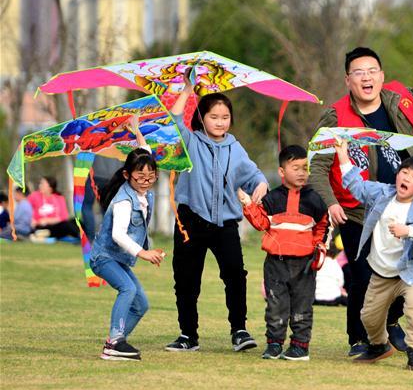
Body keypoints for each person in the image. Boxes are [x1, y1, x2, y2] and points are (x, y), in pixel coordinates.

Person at [308, 36, 413, 357]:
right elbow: (318, 166)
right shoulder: (335, 116)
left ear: (382, 76)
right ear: (348, 80)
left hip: (407, 207)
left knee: (404, 269)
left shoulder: (401, 99)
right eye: (358, 72)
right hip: (358, 208)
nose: (366, 77)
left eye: (372, 70)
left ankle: (393, 323)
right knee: (360, 277)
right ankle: (360, 340)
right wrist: (330, 202)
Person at [165, 76, 269, 353]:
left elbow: (253, 174)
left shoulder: (235, 148)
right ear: (202, 117)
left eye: (225, 117)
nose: (220, 122)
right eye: (214, 116)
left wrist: (261, 185)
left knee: (235, 274)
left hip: (225, 224)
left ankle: (240, 330)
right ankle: (188, 335)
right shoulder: (189, 140)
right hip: (190, 221)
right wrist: (187, 91)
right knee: (186, 280)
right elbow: (174, 122)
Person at [334, 139, 413, 371]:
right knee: (369, 317)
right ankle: (379, 345)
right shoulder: (383, 193)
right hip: (381, 273)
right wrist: (343, 156)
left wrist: (410, 231)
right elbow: (357, 186)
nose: (406, 178)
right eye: (404, 172)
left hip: (410, 273)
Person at [239, 145, 328, 361]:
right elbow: (261, 223)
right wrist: (248, 204)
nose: (301, 172)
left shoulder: (315, 199)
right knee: (276, 306)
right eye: (295, 167)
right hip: (275, 264)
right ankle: (274, 345)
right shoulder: (272, 199)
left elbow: (322, 226)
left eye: (304, 168)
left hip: (304, 265)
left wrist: (317, 246)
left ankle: (300, 346)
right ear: (281, 172)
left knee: (302, 307)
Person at [90, 116, 166, 361]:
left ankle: (116, 341)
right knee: (128, 288)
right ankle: (114, 342)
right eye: (140, 177)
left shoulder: (141, 187)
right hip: (104, 257)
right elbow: (118, 234)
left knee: (141, 304)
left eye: (151, 176)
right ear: (127, 175)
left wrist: (136, 131)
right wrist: (144, 253)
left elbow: (144, 151)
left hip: (118, 259)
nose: (145, 181)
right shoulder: (124, 200)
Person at [27, 176, 80, 240]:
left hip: (56, 224)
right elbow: (26, 209)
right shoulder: (34, 196)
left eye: (42, 184)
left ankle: (81, 235)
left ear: (50, 187)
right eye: (40, 183)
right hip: (41, 226)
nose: (40, 186)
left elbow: (64, 217)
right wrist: (33, 220)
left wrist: (49, 220)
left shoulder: (59, 198)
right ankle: (79, 236)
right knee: (66, 226)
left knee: (75, 221)